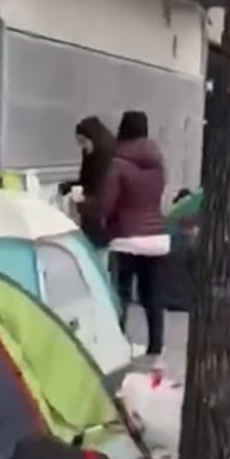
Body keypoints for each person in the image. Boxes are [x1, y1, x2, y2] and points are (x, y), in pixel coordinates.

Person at [97, 110, 168, 360]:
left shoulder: (118, 163)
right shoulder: (157, 163)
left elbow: (108, 203)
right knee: (153, 296)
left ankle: (118, 342)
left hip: (126, 237)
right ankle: (156, 346)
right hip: (156, 237)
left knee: (121, 294)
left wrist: (101, 218)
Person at [61, 116, 115, 248]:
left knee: (97, 249)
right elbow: (87, 181)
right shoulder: (92, 155)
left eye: (83, 141)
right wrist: (72, 185)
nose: (82, 146)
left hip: (99, 216)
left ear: (93, 138)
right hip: (90, 211)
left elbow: (100, 188)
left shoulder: (105, 160)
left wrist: (83, 198)